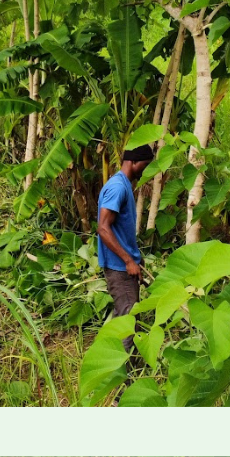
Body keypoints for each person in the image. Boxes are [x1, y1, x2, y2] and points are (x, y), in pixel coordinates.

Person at [96, 143, 154, 356]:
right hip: (120, 268)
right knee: (127, 323)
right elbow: (103, 228)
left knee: (125, 318)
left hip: (124, 264)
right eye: (145, 165)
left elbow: (120, 229)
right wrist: (128, 261)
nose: (146, 171)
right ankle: (122, 372)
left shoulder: (123, 184)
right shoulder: (118, 188)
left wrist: (135, 258)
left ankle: (120, 363)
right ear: (134, 162)